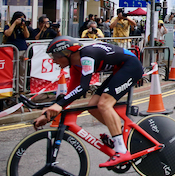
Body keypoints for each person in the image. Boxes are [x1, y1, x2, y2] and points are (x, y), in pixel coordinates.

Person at [33, 36, 144, 167]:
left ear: (66, 53)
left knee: (104, 104)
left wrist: (58, 105)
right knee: (92, 106)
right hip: (120, 70)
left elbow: (84, 87)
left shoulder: (86, 57)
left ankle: (121, 150)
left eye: (55, 56)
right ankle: (122, 135)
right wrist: (52, 110)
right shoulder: (75, 65)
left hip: (131, 67)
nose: (54, 61)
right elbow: (73, 92)